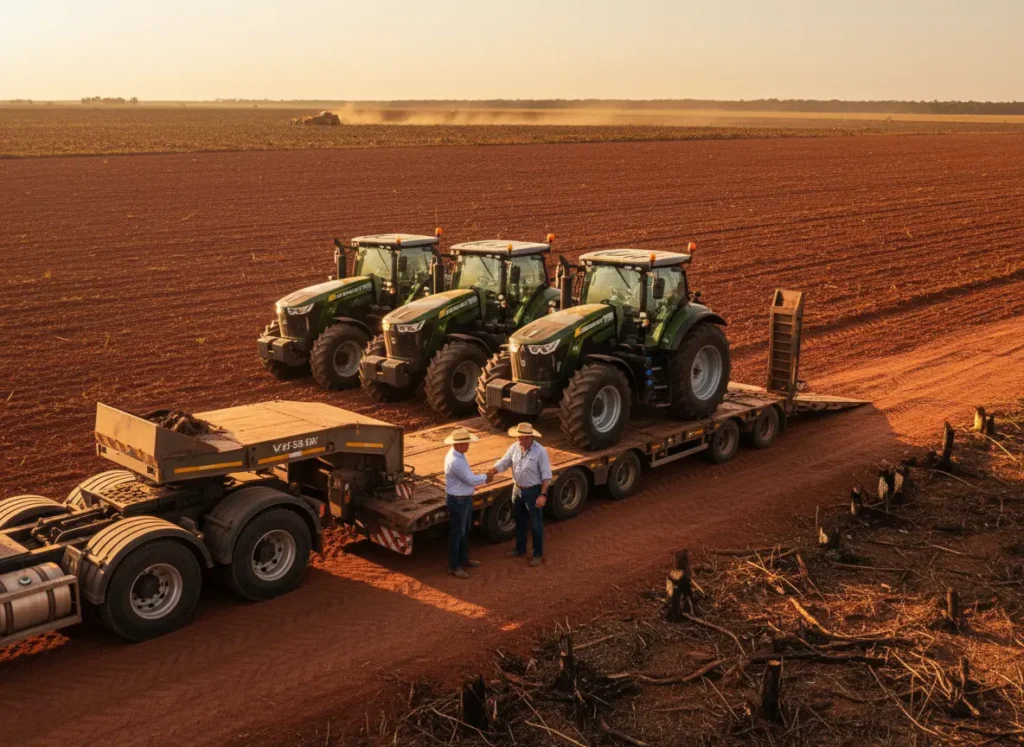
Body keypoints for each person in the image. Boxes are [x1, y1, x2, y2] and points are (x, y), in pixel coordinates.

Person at [488, 423, 551, 566]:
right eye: (518, 437)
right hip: (517, 489)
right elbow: (504, 462)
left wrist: (543, 495)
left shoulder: (540, 452)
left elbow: (546, 476)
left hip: (533, 491)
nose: (519, 441)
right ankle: (520, 549)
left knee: (536, 524)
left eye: (522, 438)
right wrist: (493, 470)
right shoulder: (514, 448)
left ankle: (537, 554)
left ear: (530, 437)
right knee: (519, 521)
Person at [443, 427, 490, 578]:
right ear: (458, 444)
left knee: (464, 530)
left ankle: (463, 560)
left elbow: (466, 478)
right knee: (458, 533)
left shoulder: (458, 455)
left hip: (463, 499)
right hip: (459, 501)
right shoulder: (456, 460)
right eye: (466, 443)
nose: (468, 445)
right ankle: (454, 566)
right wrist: (486, 477)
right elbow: (469, 479)